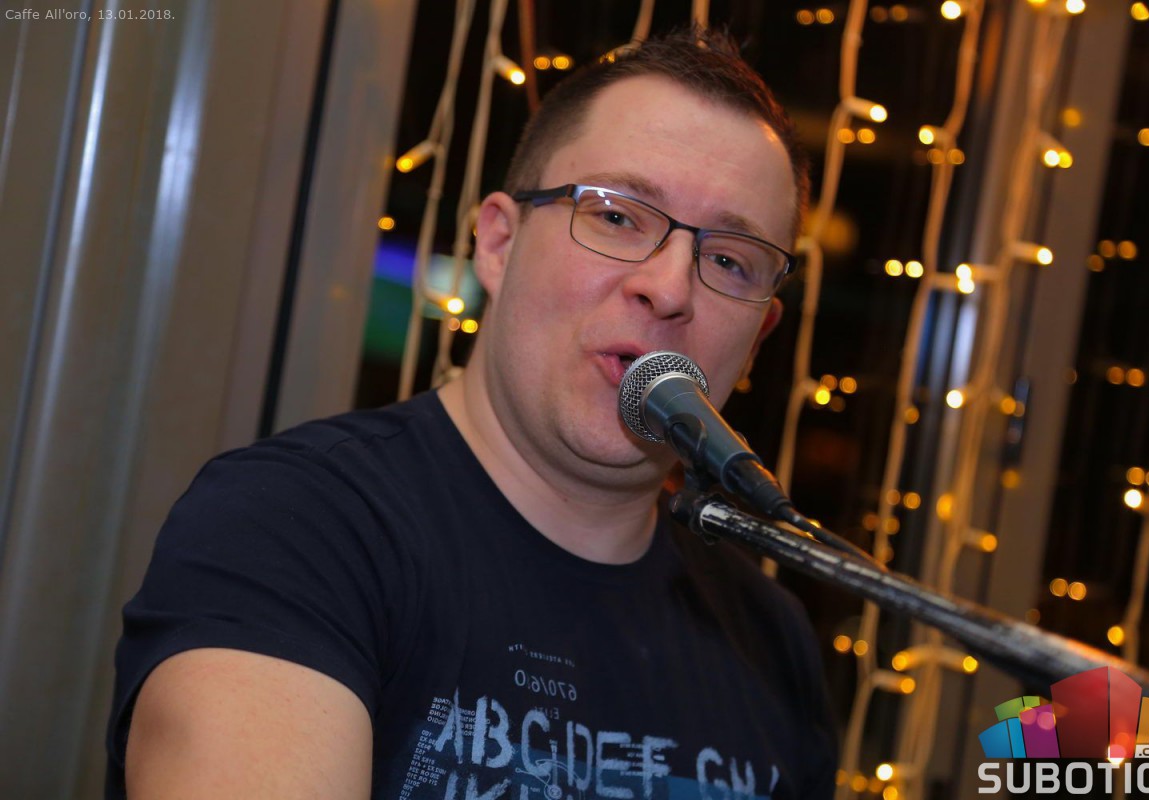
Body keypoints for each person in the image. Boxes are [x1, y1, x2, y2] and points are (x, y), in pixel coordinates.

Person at [107, 27, 838, 799]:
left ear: (758, 338)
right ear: (498, 242)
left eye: (728, 260)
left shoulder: (771, 638)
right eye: (618, 216)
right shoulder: (295, 526)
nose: (669, 288)